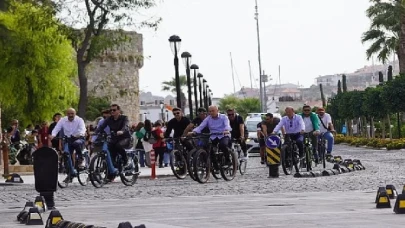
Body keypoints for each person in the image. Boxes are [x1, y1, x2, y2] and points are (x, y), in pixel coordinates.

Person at [95, 104, 132, 169]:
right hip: (114, 138)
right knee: (109, 149)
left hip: (125, 138)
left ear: (119, 111)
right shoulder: (109, 119)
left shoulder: (124, 118)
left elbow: (126, 126)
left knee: (118, 146)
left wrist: (122, 131)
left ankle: (126, 160)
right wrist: (95, 132)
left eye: (114, 110)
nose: (112, 111)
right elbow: (102, 126)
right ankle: (113, 166)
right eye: (111, 110)